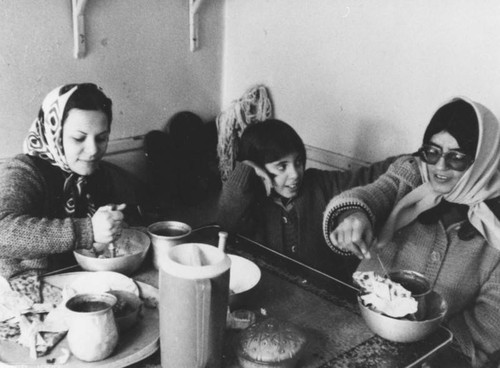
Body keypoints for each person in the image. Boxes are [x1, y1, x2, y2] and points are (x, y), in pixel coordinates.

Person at [323, 97, 500, 367]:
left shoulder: (495, 224)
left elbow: (490, 320)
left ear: (483, 159)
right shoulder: (411, 176)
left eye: (456, 157)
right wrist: (352, 216)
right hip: (360, 332)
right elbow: (370, 196)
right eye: (432, 151)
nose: (439, 167)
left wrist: (427, 355)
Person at [216, 119, 396, 282]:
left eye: (298, 162)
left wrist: (416, 160)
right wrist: (245, 170)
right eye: (281, 166)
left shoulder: (322, 184)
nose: (295, 174)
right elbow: (225, 226)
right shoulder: (250, 202)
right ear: (259, 168)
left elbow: (375, 175)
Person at [0, 83, 145, 279]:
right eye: (79, 138)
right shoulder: (23, 171)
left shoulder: (99, 173)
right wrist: (87, 230)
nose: (93, 150)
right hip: (26, 286)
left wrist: (116, 226)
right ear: (55, 135)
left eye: (101, 138)